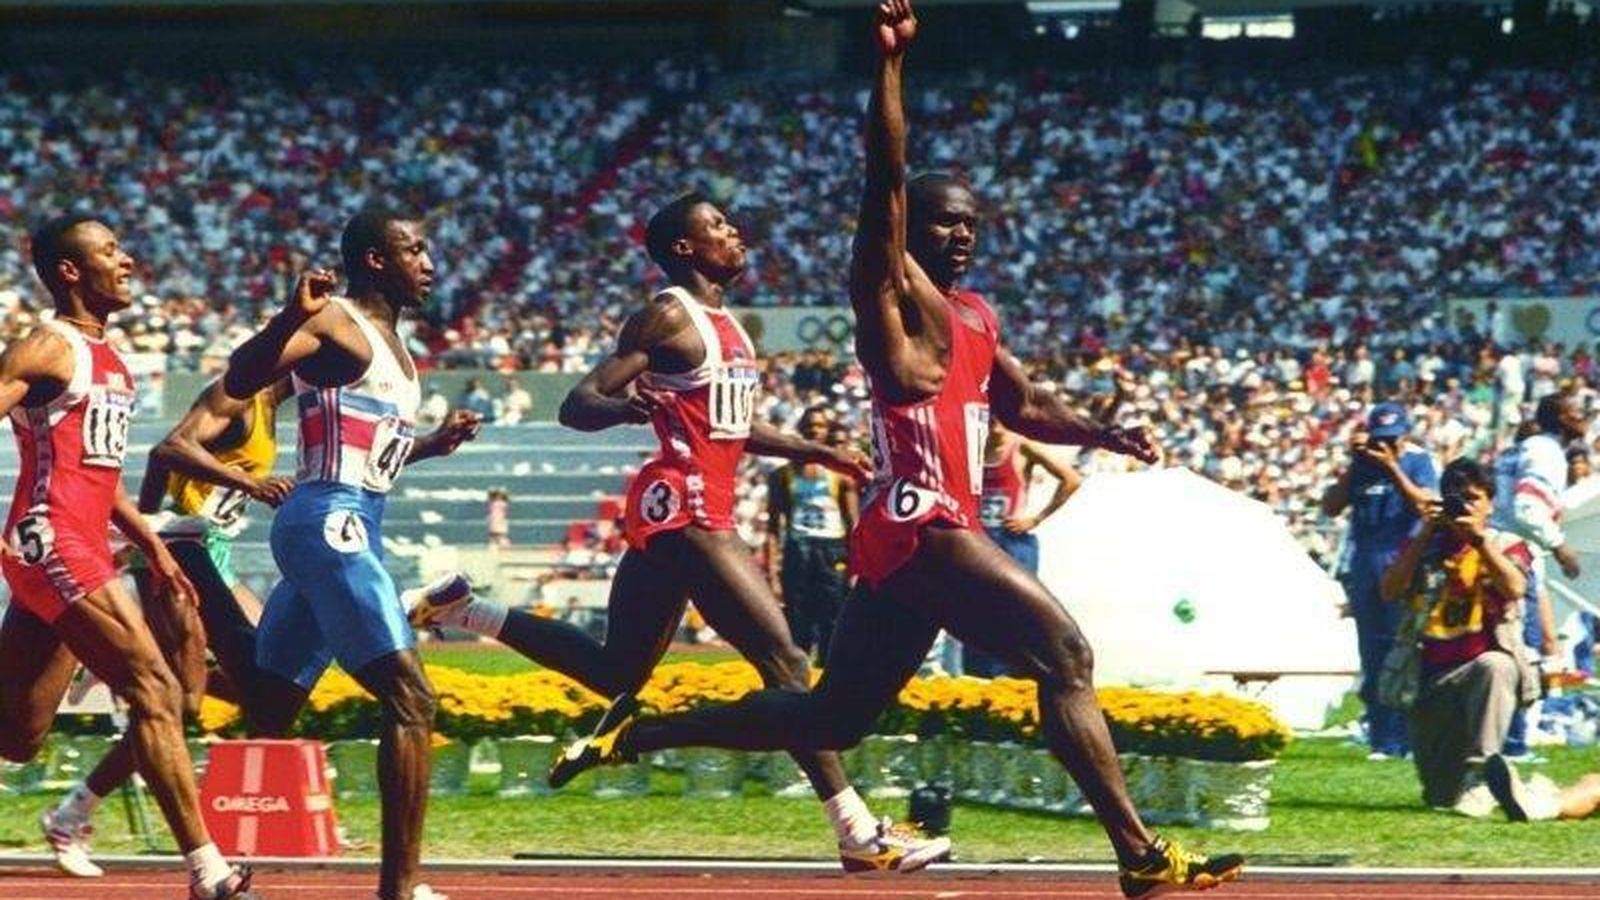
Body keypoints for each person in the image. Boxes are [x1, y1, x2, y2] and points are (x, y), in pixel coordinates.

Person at [548, 4, 1243, 896]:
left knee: (833, 713)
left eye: (971, 223)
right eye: (944, 221)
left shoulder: (976, 316)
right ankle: (1143, 860)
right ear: (907, 235)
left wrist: (1100, 430)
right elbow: (887, 174)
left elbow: (1026, 403)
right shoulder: (891, 298)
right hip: (925, 522)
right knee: (1065, 657)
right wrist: (891, 67)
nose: (962, 233)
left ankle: (632, 734)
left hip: (904, 542)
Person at [409, 193, 950, 873]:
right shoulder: (670, 313)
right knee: (784, 661)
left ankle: (465, 609)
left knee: (617, 670)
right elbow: (581, 403)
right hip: (687, 504)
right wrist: (625, 407)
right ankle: (857, 831)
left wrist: (813, 452)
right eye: (718, 227)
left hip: (695, 505)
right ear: (686, 249)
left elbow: (731, 425)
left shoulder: (729, 326)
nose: (735, 232)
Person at [224, 208, 482, 900]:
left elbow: (372, 455)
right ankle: (401, 889)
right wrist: (286, 318)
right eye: (415, 250)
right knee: (412, 699)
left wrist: (430, 445)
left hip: (351, 519)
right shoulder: (336, 320)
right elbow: (243, 376)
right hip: (325, 520)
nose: (429, 262)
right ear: (375, 260)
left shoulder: (396, 346)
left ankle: (220, 874)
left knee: (268, 706)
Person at [0, 215, 255, 899]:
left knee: (18, 736)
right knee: (156, 687)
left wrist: (151, 546)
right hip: (51, 539)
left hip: (83, 541)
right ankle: (209, 872)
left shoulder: (108, 359)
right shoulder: (47, 346)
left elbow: (98, 475)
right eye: (110, 251)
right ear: (69, 272)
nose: (129, 261)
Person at [40, 377, 293, 878]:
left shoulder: (271, 412)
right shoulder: (239, 397)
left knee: (257, 685)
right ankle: (71, 814)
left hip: (210, 550)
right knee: (181, 702)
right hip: (179, 547)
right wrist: (149, 533)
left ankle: (123, 670)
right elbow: (164, 453)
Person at [1380, 458, 1537, 816]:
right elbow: (1389, 591)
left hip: (1480, 667)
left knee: (1495, 666)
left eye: (1472, 498)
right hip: (1430, 677)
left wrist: (1479, 543)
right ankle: (1502, 786)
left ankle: (1483, 775)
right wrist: (1424, 534)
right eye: (1455, 497)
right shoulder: (1427, 544)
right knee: (1440, 797)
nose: (1463, 505)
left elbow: (1515, 587)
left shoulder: (1505, 543)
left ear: (1490, 502)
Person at [1321, 402, 1439, 759]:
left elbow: (1425, 505)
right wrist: (1353, 464)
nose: (1385, 445)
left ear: (1404, 435)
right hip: (1365, 561)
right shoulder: (1361, 466)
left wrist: (1392, 468)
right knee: (1371, 652)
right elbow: (1330, 506)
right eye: (1380, 438)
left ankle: (1404, 736)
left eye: (1392, 438)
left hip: (1401, 558)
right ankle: (1381, 737)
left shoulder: (1418, 462)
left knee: (1401, 649)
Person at [964, 419, 1082, 677]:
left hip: (1011, 539)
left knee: (1019, 609)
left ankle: (1024, 672)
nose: (995, 427)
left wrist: (1035, 518)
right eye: (989, 420)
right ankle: (979, 675)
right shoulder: (971, 448)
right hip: (979, 539)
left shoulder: (1022, 447)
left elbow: (1071, 479)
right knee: (974, 609)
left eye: (1000, 421)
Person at [766, 405, 857, 665]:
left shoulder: (841, 475)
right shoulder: (781, 476)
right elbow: (773, 526)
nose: (813, 431)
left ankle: (829, 679)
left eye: (819, 426)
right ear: (800, 431)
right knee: (798, 618)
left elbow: (853, 523)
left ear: (827, 431)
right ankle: (799, 681)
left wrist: (857, 563)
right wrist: (772, 570)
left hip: (832, 548)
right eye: (808, 426)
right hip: (799, 548)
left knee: (833, 617)